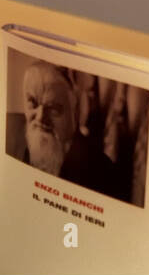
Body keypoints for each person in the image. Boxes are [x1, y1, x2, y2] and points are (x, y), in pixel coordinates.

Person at [14, 62, 115, 197]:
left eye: (53, 108)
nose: (40, 117)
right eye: (33, 103)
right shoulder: (20, 148)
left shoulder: (102, 172)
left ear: (74, 114)